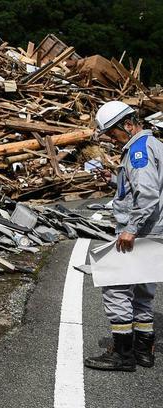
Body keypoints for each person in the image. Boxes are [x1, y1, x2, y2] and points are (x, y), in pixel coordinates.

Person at [84, 101, 163, 371]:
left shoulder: (139, 150)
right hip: (154, 232)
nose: (112, 140)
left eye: (113, 134)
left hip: (140, 232)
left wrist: (130, 229)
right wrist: (113, 179)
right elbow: (138, 186)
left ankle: (122, 354)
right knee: (143, 291)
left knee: (116, 289)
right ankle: (143, 350)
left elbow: (148, 193)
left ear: (128, 125)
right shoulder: (153, 145)